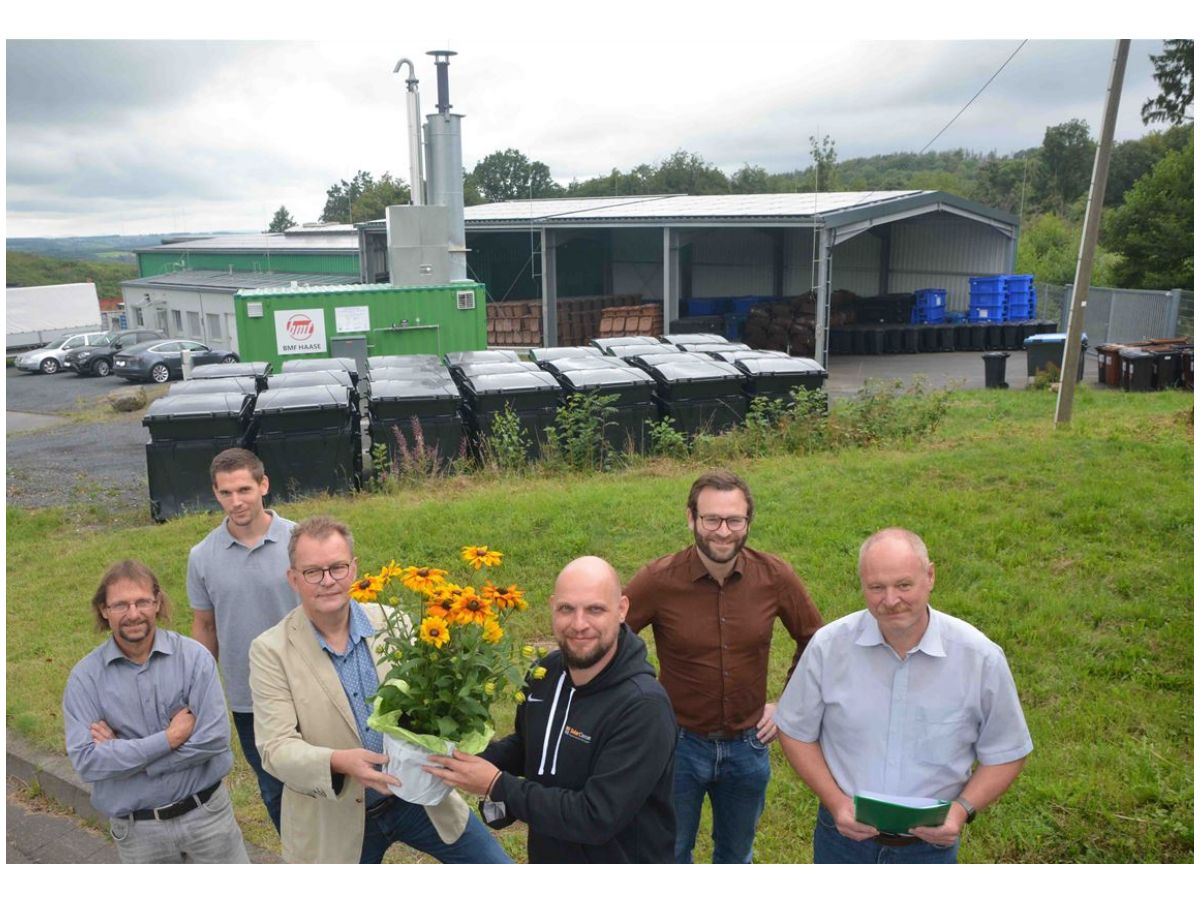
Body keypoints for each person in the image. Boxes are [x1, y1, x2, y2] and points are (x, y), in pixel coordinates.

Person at [247, 515, 510, 864]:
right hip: (337, 812)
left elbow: (430, 700)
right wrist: (339, 762)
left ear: (354, 570)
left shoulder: (394, 624)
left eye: (337, 568)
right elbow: (275, 748)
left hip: (416, 798)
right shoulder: (270, 650)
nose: (327, 581)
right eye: (313, 572)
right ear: (293, 579)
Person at [776, 527, 1034, 864]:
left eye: (903, 585)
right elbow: (795, 731)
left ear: (930, 576)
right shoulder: (828, 647)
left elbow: (1007, 751)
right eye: (876, 588)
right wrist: (836, 802)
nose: (891, 600)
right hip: (841, 840)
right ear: (862, 586)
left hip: (929, 850)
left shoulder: (980, 658)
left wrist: (961, 810)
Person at [624, 469, 823, 863]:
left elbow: (816, 641)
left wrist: (786, 704)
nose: (723, 531)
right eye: (711, 519)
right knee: (669, 852)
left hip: (748, 747)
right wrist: (639, 704)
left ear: (748, 521)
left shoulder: (774, 576)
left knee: (736, 855)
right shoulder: (658, 580)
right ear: (691, 519)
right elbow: (608, 639)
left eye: (734, 520)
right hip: (677, 746)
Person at [426, 556, 677, 863]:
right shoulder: (546, 672)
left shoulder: (643, 707)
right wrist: (461, 760)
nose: (579, 624)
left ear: (622, 610)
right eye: (566, 609)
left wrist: (496, 785)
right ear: (552, 607)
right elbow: (529, 743)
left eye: (595, 609)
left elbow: (596, 817)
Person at [63, 560, 250, 864]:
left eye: (142, 602)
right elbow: (88, 763)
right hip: (139, 834)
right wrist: (170, 737)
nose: (133, 614)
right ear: (103, 610)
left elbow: (214, 740)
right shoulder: (85, 679)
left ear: (158, 602)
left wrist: (128, 757)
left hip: (208, 819)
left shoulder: (194, 659)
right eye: (121, 605)